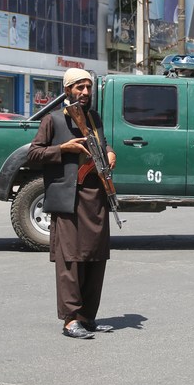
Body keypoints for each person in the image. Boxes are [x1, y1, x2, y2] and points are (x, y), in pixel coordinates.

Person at [27, 68, 116, 339]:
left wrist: (110, 152)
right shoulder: (52, 120)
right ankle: (70, 320)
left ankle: (87, 317)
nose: (85, 92)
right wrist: (64, 149)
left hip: (96, 198)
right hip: (69, 199)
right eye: (79, 87)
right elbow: (33, 153)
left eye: (88, 87)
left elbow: (103, 143)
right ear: (67, 91)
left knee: (95, 258)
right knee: (71, 262)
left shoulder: (93, 117)